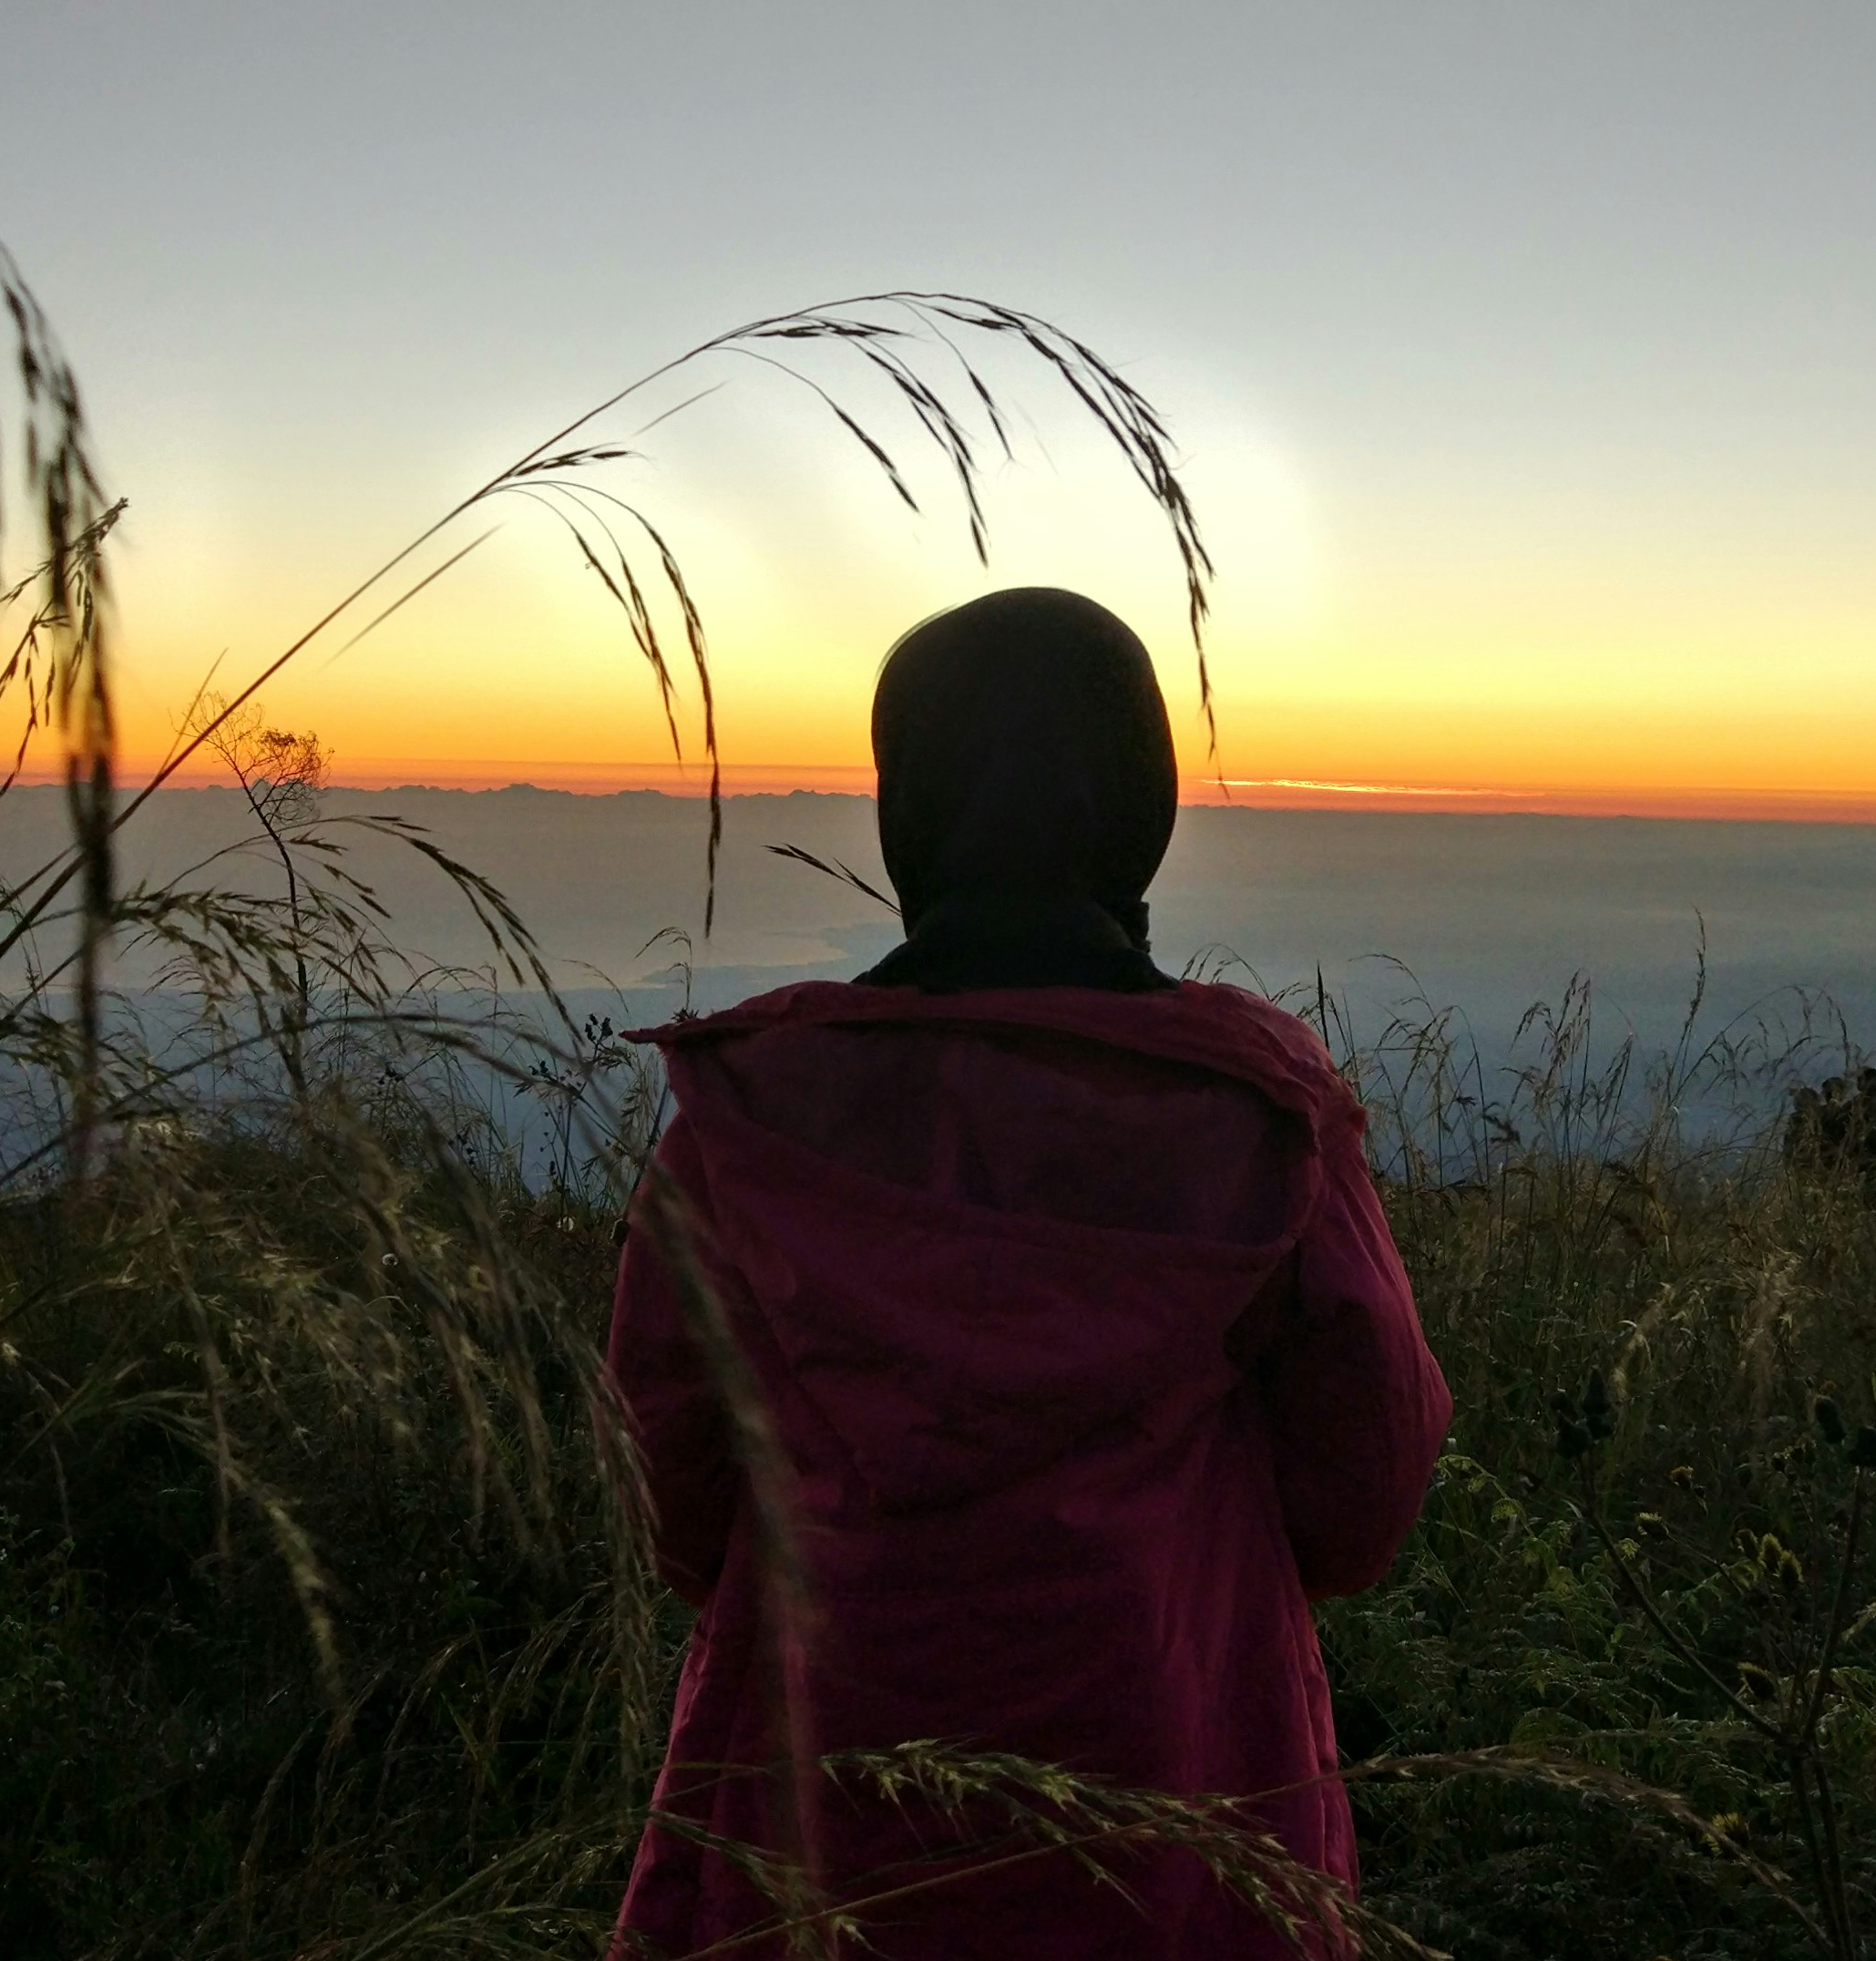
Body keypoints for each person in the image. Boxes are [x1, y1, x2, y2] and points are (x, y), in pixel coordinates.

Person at [605, 588, 1452, 1958]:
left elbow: (668, 1485)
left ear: (907, 810)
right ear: (1140, 807)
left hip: (820, 1789)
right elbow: (1366, 1492)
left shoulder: (753, 1109)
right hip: (1184, 1778)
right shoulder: (1261, 1108)